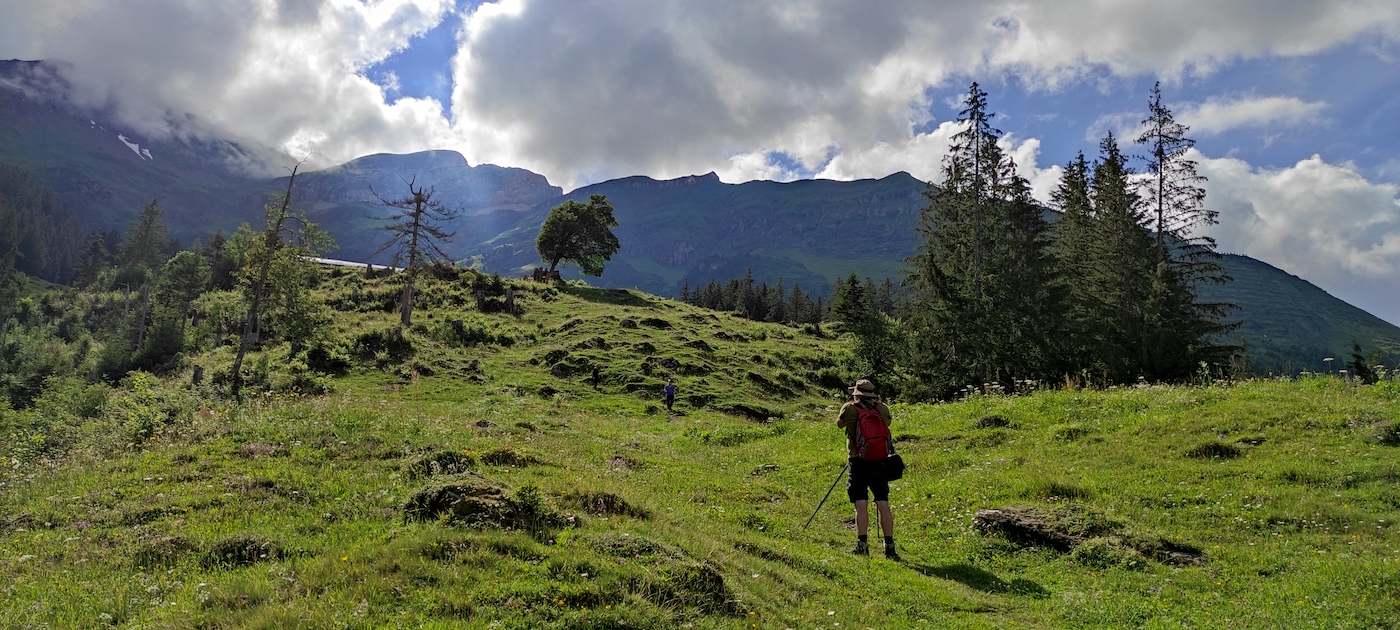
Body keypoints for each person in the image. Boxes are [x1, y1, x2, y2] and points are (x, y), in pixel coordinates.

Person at [836, 379, 897, 559]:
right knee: (883, 503)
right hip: (879, 459)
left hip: (857, 459)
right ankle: (890, 547)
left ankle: (862, 545)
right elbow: (887, 424)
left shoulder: (850, 408)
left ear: (856, 393)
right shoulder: (882, 408)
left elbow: (839, 425)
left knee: (860, 504)